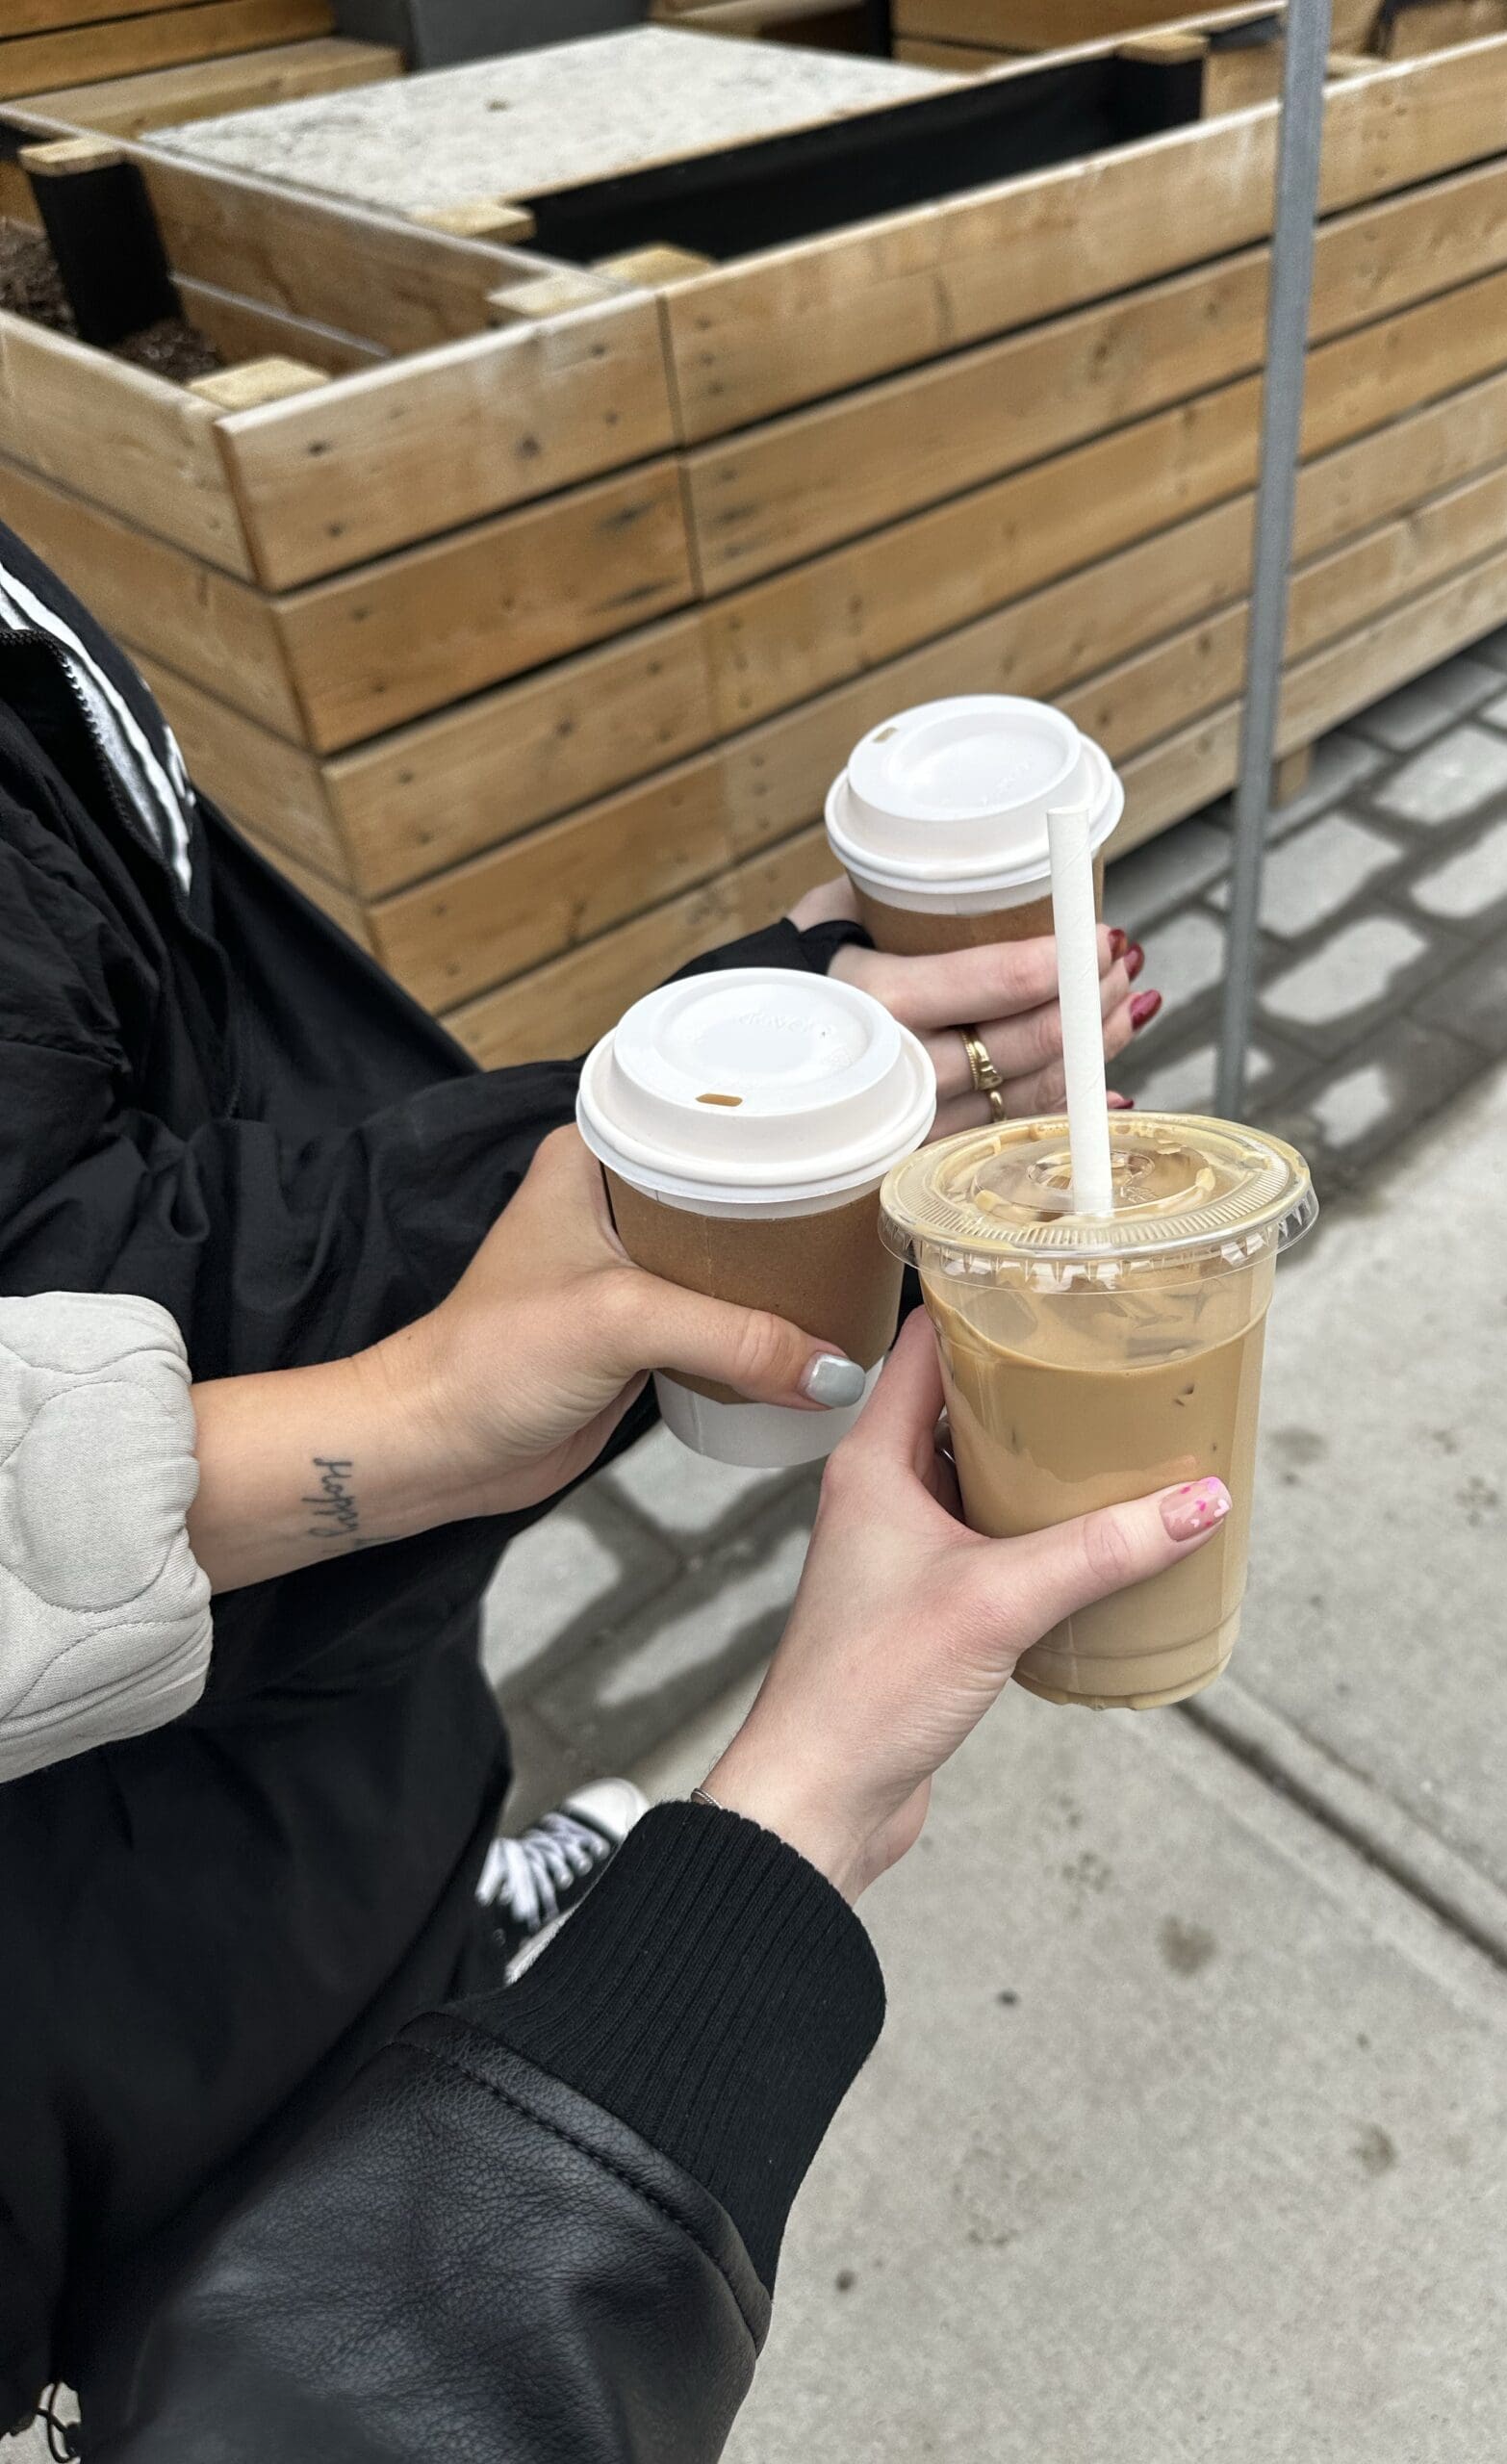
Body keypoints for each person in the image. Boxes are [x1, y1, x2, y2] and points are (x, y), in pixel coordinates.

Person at [0, 516, 1159, 2426]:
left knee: (361, 1825)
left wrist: (408, 1411)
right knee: (200, 2185)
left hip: (261, 1735)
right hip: (106, 1995)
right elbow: (339, 2394)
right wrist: (765, 1854)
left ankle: (456, 1939)